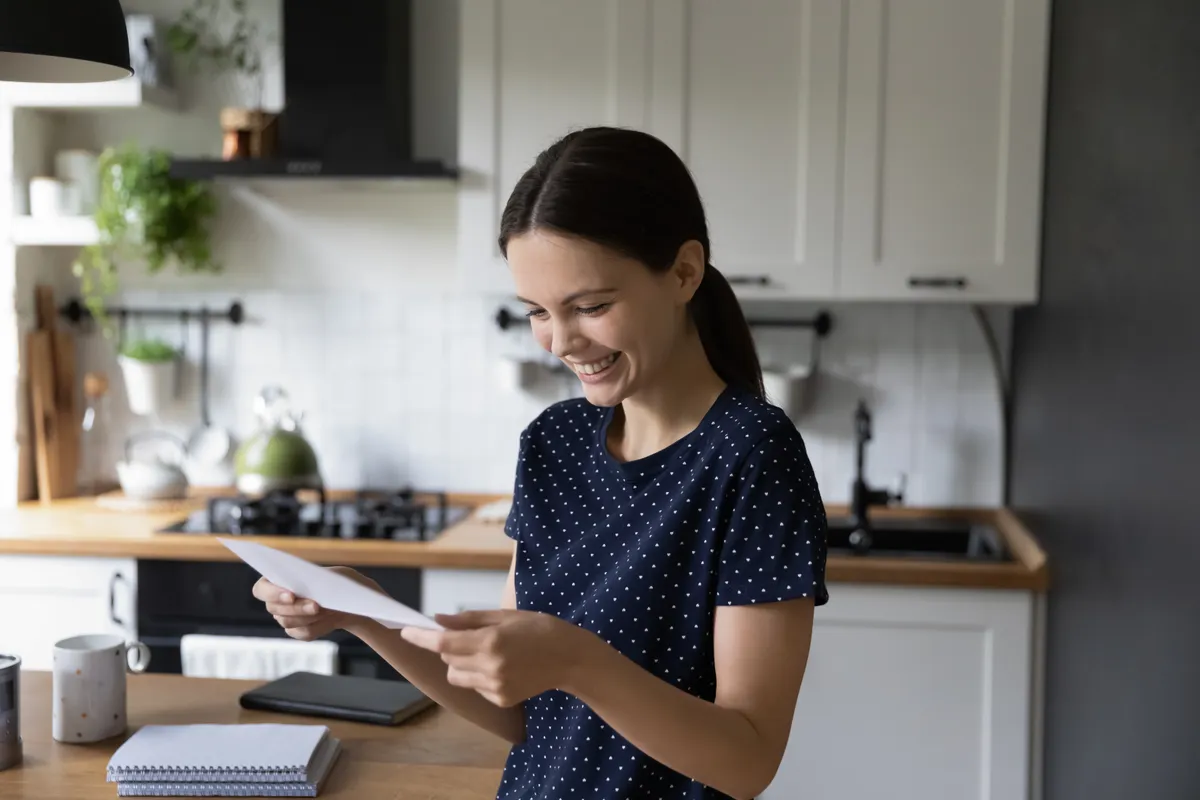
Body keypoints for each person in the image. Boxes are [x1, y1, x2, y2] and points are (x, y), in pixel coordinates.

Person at [253, 126, 829, 800]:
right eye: (536, 312)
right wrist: (367, 611)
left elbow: (748, 761)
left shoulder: (752, 454)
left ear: (683, 272)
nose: (560, 341)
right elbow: (517, 714)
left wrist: (576, 660)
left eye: (591, 306)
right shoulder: (553, 443)